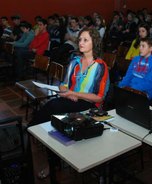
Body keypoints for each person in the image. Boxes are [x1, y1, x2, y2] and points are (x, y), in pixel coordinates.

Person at [29, 27, 109, 180]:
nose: (81, 42)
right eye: (80, 39)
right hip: (71, 100)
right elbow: (63, 85)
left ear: (95, 43)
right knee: (53, 117)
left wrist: (75, 93)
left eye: (85, 40)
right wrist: (68, 92)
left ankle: (31, 130)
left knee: (54, 106)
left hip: (89, 104)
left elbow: (99, 97)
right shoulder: (75, 61)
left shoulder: (100, 66)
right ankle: (53, 161)